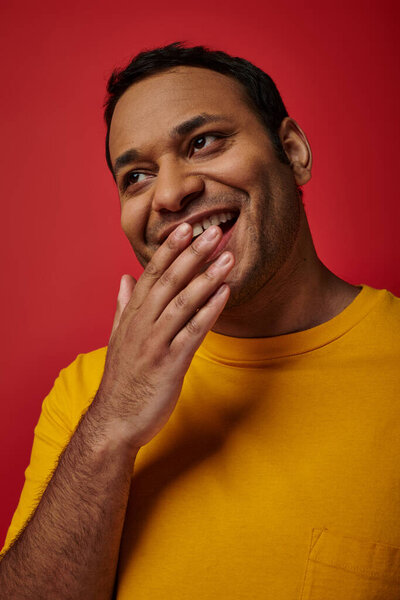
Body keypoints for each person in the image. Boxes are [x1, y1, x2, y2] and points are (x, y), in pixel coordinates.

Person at [0, 41, 399, 600]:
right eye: (135, 176)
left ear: (292, 151)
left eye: (203, 142)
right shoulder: (86, 395)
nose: (169, 192)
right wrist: (112, 426)